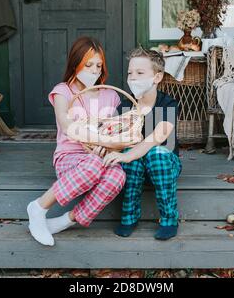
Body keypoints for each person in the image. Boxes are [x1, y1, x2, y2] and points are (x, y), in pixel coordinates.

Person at [26, 37, 127, 246]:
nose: (94, 71)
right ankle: (38, 207)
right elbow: (66, 124)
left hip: (100, 157)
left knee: (118, 175)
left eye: (98, 66)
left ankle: (66, 220)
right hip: (70, 158)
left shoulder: (110, 95)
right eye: (88, 65)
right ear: (75, 63)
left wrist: (108, 145)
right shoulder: (63, 91)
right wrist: (101, 140)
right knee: (93, 165)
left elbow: (118, 135)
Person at [103, 47, 182, 241]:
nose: (133, 78)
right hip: (135, 167)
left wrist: (128, 154)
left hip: (163, 165)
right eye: (130, 73)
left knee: (155, 153)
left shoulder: (168, 103)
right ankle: (129, 215)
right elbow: (116, 138)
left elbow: (158, 136)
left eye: (140, 73)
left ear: (157, 77)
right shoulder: (125, 106)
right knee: (130, 154)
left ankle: (169, 218)